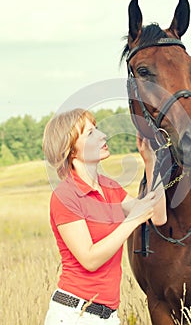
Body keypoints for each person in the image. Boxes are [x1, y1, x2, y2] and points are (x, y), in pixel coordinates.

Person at [42, 108, 167, 324]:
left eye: (97, 129)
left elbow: (157, 216)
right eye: (90, 134)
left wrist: (150, 161)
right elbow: (90, 259)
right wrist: (132, 220)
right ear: (71, 150)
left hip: (108, 316)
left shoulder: (110, 187)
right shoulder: (65, 195)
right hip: (74, 315)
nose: (102, 136)